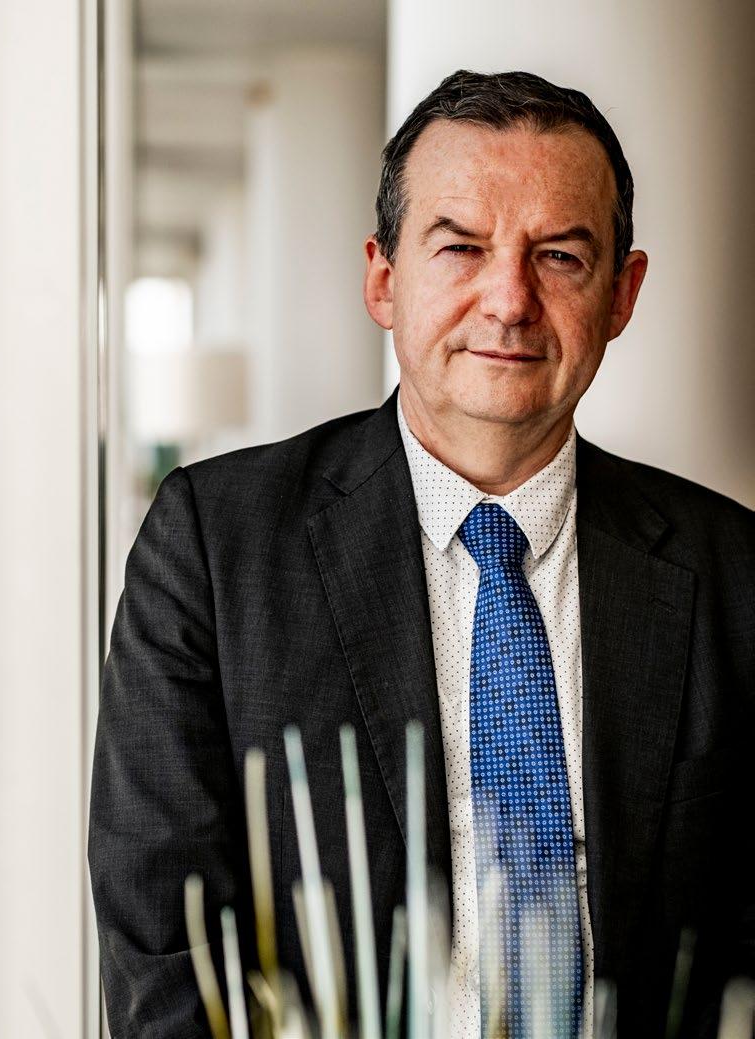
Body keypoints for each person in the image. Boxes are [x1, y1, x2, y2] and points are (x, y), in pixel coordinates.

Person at [88, 70, 754, 1039]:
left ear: (622, 292)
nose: (510, 300)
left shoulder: (734, 572)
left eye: (559, 256)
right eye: (461, 248)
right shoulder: (212, 550)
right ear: (383, 279)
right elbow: (164, 946)